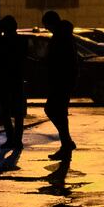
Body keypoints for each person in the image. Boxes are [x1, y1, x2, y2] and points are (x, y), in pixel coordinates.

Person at [42, 11, 78, 159]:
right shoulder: (64, 35)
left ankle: (66, 142)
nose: (47, 29)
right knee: (59, 112)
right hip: (65, 80)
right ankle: (66, 142)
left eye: (47, 26)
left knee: (53, 110)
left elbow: (58, 61)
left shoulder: (60, 37)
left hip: (61, 80)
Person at [0, 16, 28, 149]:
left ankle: (11, 138)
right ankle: (17, 139)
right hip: (16, 78)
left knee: (6, 111)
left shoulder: (2, 42)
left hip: (6, 79)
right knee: (18, 112)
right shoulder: (21, 41)